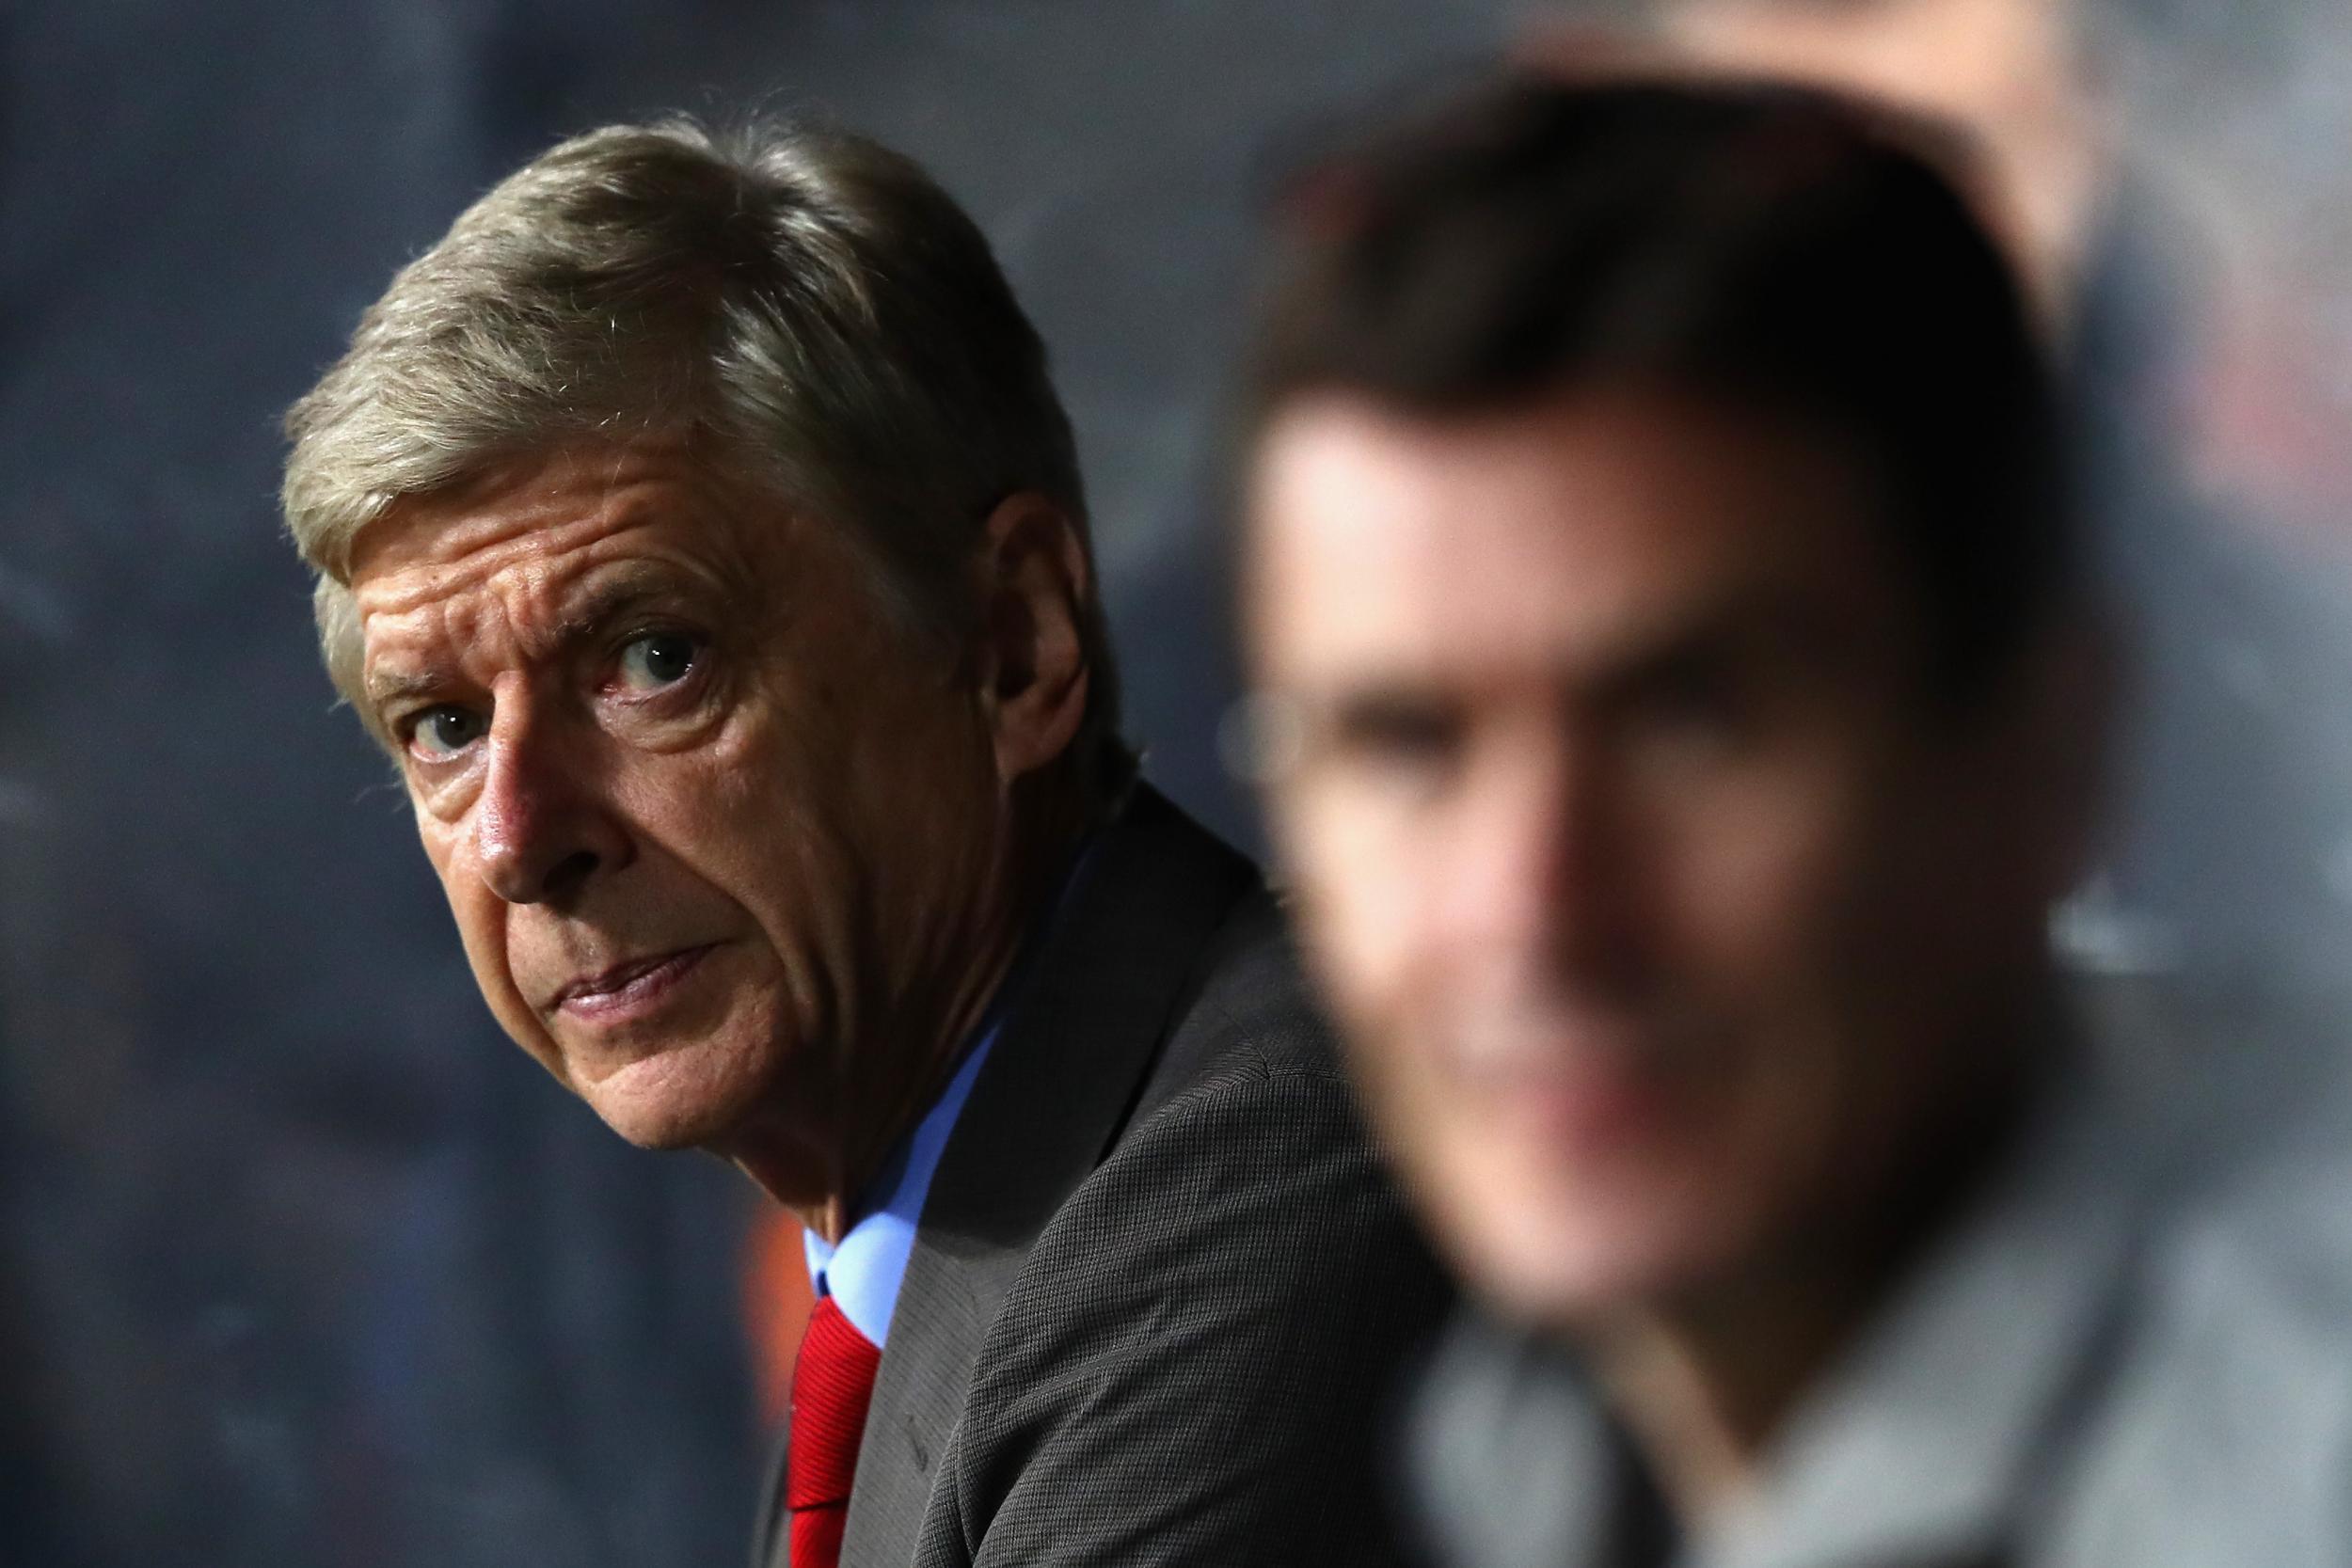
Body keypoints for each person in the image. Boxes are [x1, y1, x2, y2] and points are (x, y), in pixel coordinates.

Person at [279, 118, 1447, 1568]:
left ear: (1013, 643)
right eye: (443, 729)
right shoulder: (918, 1234)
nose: (520, 840)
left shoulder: (1259, 1185)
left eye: (652, 657)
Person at [1238, 74, 2352, 1567]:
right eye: (1404, 747)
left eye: (1694, 723)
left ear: (2049, 750)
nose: (1532, 911)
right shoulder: (1532, 1437)